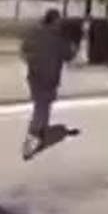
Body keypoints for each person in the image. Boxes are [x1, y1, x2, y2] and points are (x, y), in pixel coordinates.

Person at [20, 8, 74, 158]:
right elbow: (69, 56)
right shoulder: (59, 38)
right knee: (41, 110)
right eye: (59, 21)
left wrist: (32, 62)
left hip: (35, 78)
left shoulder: (34, 34)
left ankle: (40, 133)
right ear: (54, 22)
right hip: (48, 79)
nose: (60, 24)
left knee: (43, 106)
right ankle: (31, 143)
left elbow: (24, 50)